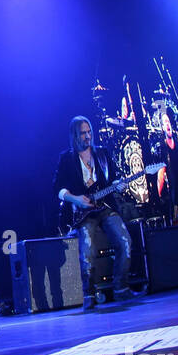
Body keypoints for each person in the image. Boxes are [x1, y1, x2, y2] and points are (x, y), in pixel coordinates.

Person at [53, 115, 135, 309]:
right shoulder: (66, 158)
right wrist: (76, 199)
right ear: (75, 135)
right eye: (83, 133)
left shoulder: (103, 153)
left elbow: (113, 179)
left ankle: (121, 289)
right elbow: (58, 189)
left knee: (125, 242)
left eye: (89, 132)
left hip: (105, 207)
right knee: (87, 250)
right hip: (84, 211)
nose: (88, 137)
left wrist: (118, 185)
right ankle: (89, 294)